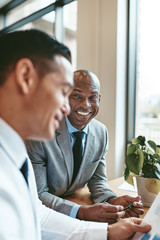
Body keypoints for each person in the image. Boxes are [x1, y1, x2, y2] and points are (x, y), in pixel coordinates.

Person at [0, 29, 151, 240]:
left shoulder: (14, 149)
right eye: (63, 91)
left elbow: (38, 214)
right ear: (25, 76)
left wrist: (106, 232)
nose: (66, 108)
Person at [26, 70, 144, 224]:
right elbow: (38, 194)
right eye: (77, 96)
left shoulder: (101, 132)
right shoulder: (41, 132)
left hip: (73, 202)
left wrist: (113, 200)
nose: (85, 105)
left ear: (99, 99)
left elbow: (97, 181)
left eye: (92, 98)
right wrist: (81, 211)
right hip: (40, 218)